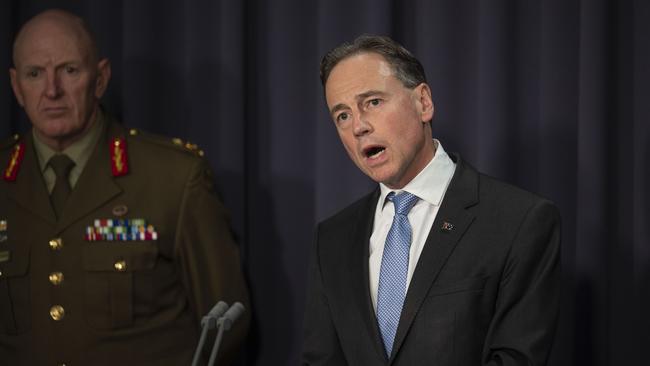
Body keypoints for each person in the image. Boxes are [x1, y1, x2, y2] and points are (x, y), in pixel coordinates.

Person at [0, 9, 250, 365]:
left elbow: (225, 321)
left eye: (69, 71)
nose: (52, 90)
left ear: (100, 79)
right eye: (35, 74)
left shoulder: (173, 177)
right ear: (16, 87)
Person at [302, 35, 560, 365]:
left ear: (423, 102)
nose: (359, 127)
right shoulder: (332, 239)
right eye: (342, 115)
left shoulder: (519, 221)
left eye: (373, 102)